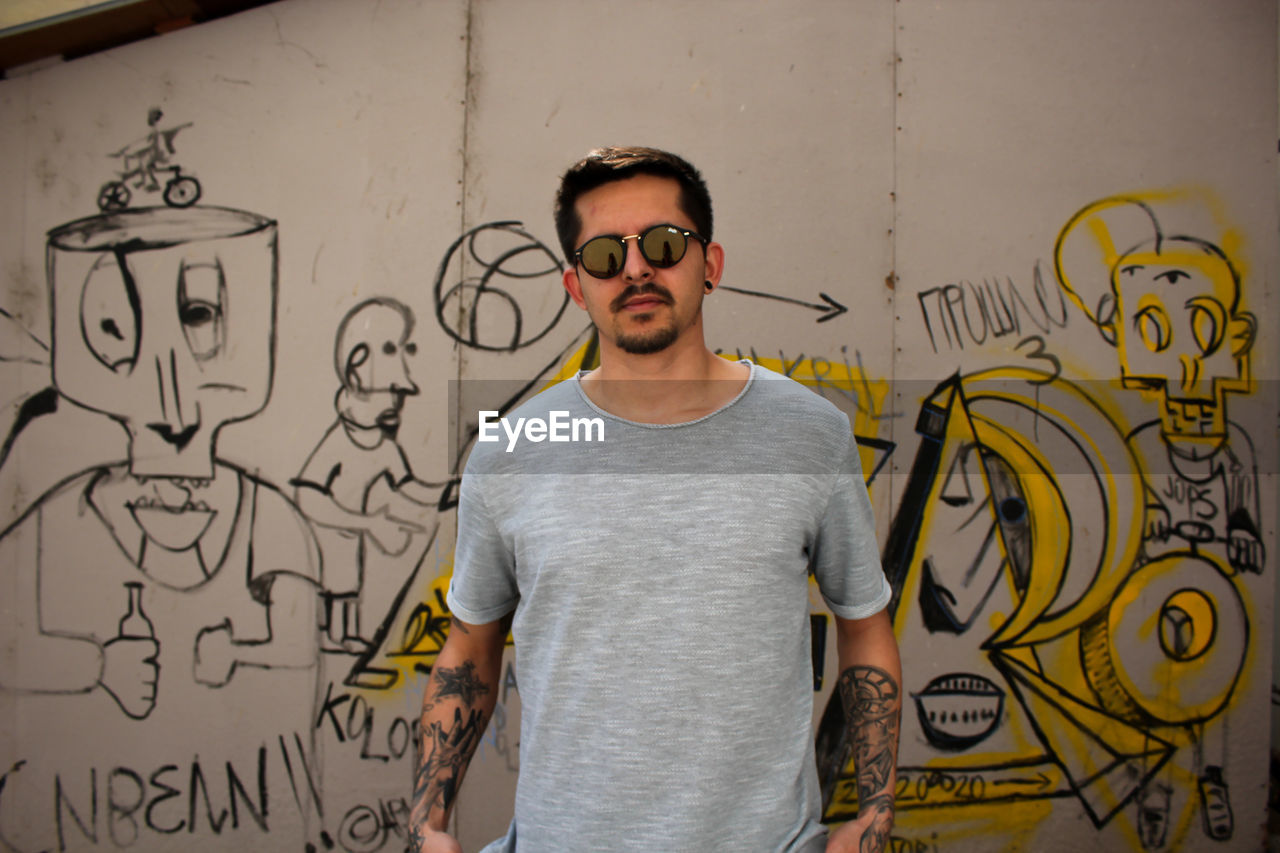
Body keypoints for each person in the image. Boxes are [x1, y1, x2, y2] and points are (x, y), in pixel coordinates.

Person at [410, 147, 901, 852]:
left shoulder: (809, 437)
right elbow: (470, 644)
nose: (636, 269)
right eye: (605, 255)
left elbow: (864, 622)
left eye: (665, 245)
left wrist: (876, 814)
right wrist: (428, 823)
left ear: (712, 265)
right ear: (576, 287)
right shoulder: (510, 451)